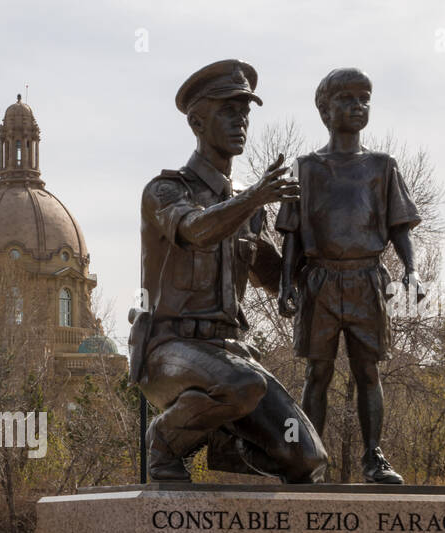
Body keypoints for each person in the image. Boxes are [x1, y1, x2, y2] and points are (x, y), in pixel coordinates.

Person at [132, 59, 327, 483]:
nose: (241, 121)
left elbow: (277, 278)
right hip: (169, 352)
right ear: (198, 122)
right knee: (242, 385)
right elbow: (197, 231)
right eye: (228, 111)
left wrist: (331, 257)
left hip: (229, 357)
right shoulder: (165, 191)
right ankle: (165, 442)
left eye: (245, 112)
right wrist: (254, 198)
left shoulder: (248, 204)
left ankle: (230, 445)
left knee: (306, 458)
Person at [276, 67, 423, 484]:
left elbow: (399, 227)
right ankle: (308, 458)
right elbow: (291, 234)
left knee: (368, 372)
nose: (357, 106)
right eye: (346, 99)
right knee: (317, 373)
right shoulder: (306, 168)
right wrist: (287, 282)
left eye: (364, 99)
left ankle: (374, 457)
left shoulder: (382, 167)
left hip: (366, 280)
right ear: (325, 109)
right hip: (319, 280)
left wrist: (411, 268)